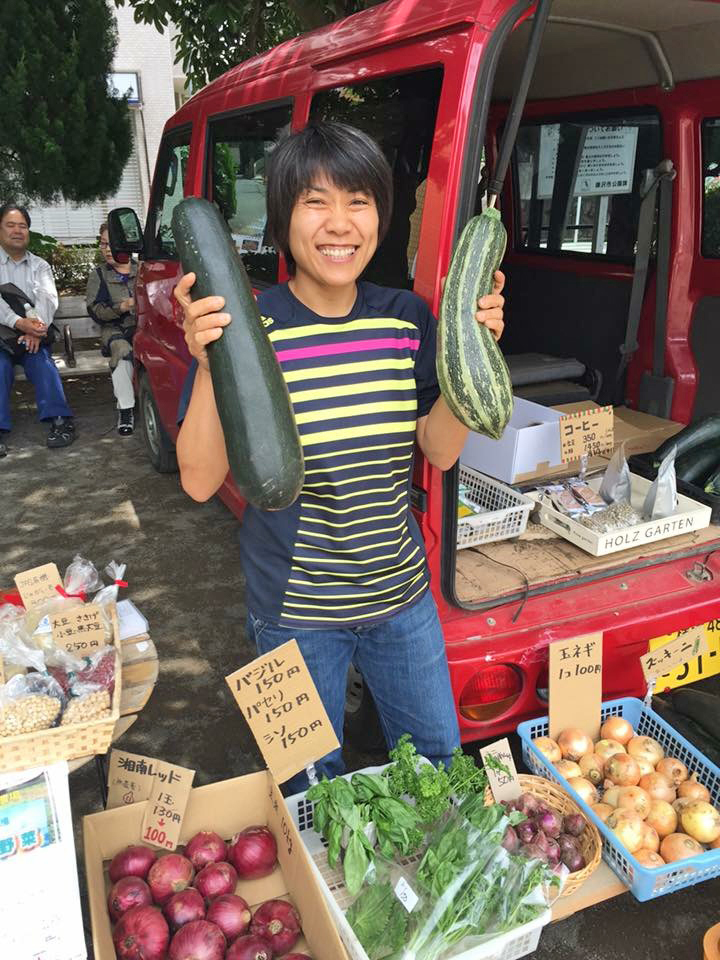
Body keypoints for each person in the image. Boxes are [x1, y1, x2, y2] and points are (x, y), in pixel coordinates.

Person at [175, 123, 505, 794]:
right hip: (294, 614)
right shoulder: (244, 326)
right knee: (308, 788)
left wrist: (477, 347)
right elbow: (200, 481)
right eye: (314, 201)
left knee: (439, 770)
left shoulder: (406, 319)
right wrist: (209, 365)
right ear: (281, 219)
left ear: (381, 216)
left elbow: (438, 449)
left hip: (401, 598)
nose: (339, 223)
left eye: (358, 200)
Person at [0, 202, 75, 458]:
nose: (17, 231)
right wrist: (18, 323)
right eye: (10, 225)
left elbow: (48, 299)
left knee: (43, 364)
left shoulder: (40, 265)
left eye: (22, 226)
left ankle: (60, 421)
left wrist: (35, 329)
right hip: (2, 338)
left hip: (33, 338)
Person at [85, 223, 137, 436]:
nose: (106, 249)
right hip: (114, 328)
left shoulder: (141, 269)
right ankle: (125, 408)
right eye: (103, 244)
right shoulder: (99, 275)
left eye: (111, 244)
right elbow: (96, 311)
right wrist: (122, 307)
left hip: (144, 326)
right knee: (122, 350)